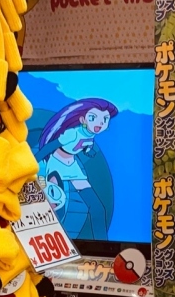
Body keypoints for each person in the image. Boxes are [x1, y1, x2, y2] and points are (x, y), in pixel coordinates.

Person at [37, 98, 118, 238]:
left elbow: (85, 146)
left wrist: (89, 151)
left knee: (97, 208)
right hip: (56, 164)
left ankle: (103, 243)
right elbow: (50, 146)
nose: (100, 123)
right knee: (55, 203)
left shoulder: (90, 135)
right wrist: (35, 161)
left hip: (73, 167)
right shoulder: (72, 133)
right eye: (93, 117)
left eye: (105, 119)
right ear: (82, 119)